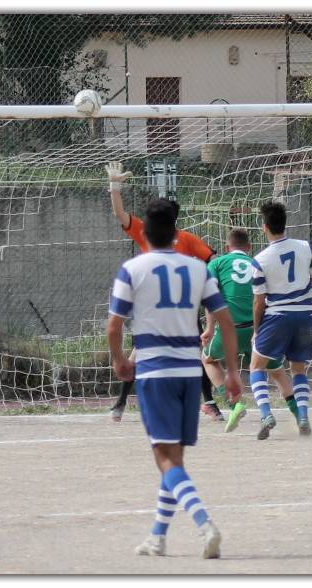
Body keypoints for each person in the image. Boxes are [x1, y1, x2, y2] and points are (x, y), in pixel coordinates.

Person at [107, 198, 243, 558]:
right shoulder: (199, 270)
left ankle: (205, 525)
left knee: (164, 458)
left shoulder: (132, 269)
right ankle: (158, 536)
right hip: (189, 371)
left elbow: (114, 326)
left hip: (155, 371)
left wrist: (120, 360)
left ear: (145, 234)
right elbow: (225, 323)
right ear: (176, 233)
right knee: (174, 458)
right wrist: (231, 372)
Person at [106, 161, 224, 423]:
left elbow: (213, 260)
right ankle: (122, 402)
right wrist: (114, 187)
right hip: (158, 308)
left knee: (190, 355)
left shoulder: (185, 239)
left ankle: (210, 403)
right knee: (144, 354)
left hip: (180, 307)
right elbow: (120, 214)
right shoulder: (154, 235)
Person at [248, 201, 312, 440]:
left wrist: (256, 329)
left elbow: (259, 302)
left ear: (265, 227)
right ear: (285, 224)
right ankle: (302, 416)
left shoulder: (260, 259)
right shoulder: (306, 247)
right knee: (298, 369)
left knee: (256, 366)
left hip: (277, 317)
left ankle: (265, 414)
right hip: (304, 317)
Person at [201, 228, 301, 435]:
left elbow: (210, 296)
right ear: (249, 248)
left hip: (232, 330)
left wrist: (210, 328)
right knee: (277, 371)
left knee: (207, 359)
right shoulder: (259, 262)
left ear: (227, 248)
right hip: (260, 329)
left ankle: (234, 405)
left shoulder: (217, 263)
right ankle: (300, 415)